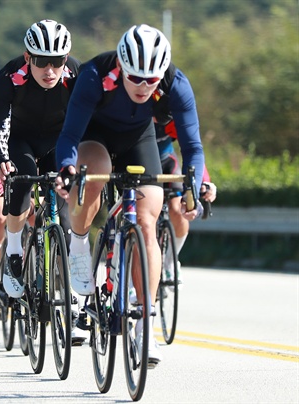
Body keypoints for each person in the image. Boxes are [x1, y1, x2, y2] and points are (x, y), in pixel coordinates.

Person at [55, 24, 205, 366]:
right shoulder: (94, 75)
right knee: (97, 173)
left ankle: (145, 325)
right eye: (135, 78)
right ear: (121, 67)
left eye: (151, 79)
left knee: (148, 223)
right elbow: (68, 135)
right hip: (95, 139)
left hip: (139, 142)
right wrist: (66, 167)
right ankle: (79, 244)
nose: (143, 86)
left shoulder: (174, 83)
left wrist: (192, 190)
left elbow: (192, 147)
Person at [0, 19, 79, 303]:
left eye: (56, 62)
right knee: (23, 179)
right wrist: (2, 158)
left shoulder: (76, 74)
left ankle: (67, 291)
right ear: (28, 58)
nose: (50, 71)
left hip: (57, 142)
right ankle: (14, 249)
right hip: (20, 140)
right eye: (41, 61)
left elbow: (86, 121)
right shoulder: (8, 76)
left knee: (62, 219)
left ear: (66, 58)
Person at [157, 121, 217, 281]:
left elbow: (192, 149)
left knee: (177, 210)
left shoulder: (166, 110)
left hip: (166, 162)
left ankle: (170, 260)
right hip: (137, 163)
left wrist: (204, 181)